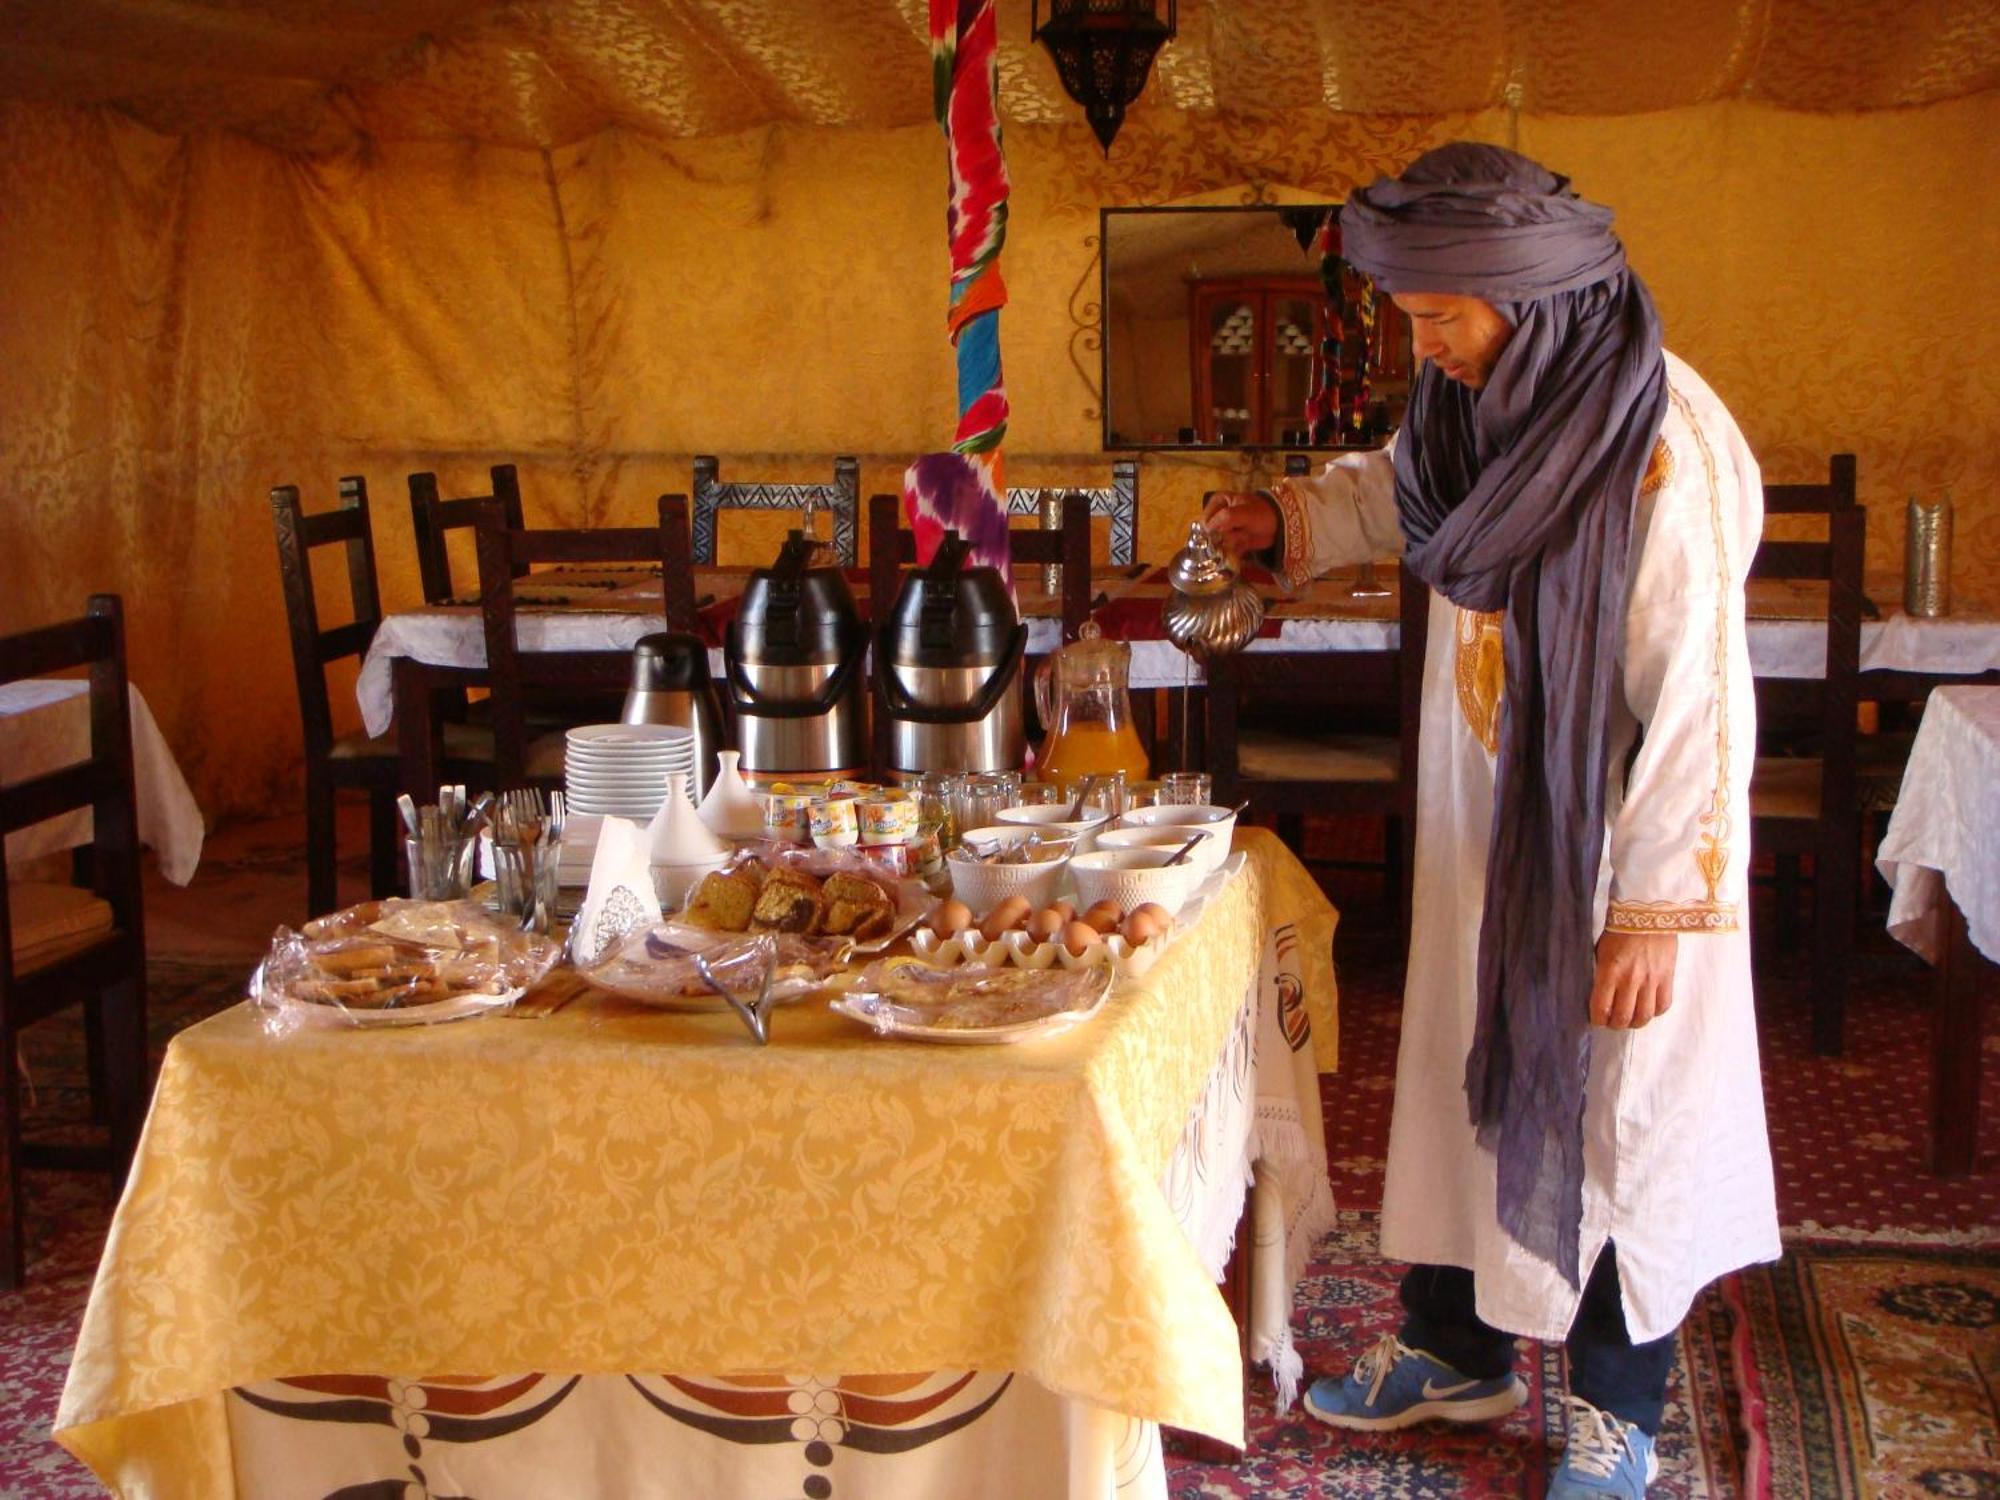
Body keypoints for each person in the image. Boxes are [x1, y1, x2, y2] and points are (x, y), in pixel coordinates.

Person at [1204, 144, 1778, 1498]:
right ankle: (1457, 1346)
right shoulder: (1470, 407)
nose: (1431, 346)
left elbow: (1698, 695)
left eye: (1442, 318)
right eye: (1414, 320)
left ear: (1528, 295)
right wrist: (1283, 516)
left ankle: (1617, 1406)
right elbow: (1397, 494)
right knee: (1471, 1072)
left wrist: (1653, 908)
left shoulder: (1656, 441)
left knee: (1611, 1110)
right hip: (1485, 821)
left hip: (1607, 848)